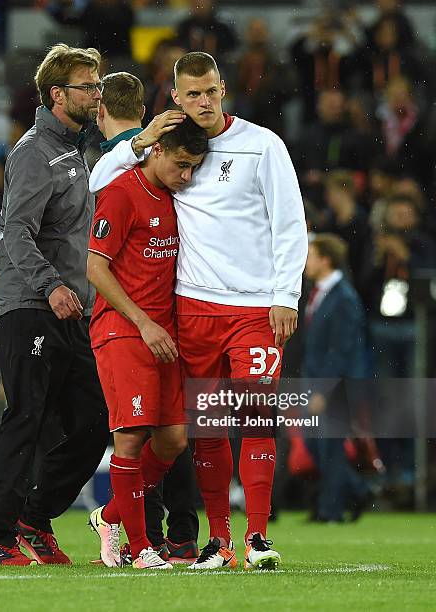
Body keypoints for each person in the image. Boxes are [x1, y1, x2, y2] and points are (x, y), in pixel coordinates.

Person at [89, 51, 308, 571]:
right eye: (192, 94)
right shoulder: (170, 148)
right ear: (176, 98)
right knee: (204, 428)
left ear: (223, 87)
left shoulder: (262, 145)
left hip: (256, 306)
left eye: (210, 91)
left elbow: (291, 222)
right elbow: (102, 182)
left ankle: (257, 537)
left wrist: (287, 295)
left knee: (255, 416)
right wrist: (139, 141)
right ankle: (220, 542)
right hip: (192, 309)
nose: (203, 102)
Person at [0, 43, 109, 566]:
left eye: (98, 86)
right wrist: (52, 285)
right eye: (88, 87)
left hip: (69, 306)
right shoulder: (34, 151)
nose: (96, 95)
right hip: (31, 302)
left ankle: (33, 519)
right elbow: (15, 231)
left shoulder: (75, 148)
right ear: (58, 94)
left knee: (96, 420)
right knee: (26, 416)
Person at [87, 115, 207, 570]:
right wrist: (142, 322)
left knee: (174, 440)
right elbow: (95, 269)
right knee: (132, 437)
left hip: (164, 334)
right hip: (123, 329)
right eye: (181, 164)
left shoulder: (179, 199)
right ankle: (140, 549)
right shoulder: (121, 194)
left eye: (194, 167)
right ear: (156, 151)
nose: (187, 176)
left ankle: (111, 515)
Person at [303, 233, 371, 522]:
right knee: (314, 443)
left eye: (310, 254)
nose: (305, 261)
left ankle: (330, 511)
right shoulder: (318, 292)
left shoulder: (343, 296)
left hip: (336, 385)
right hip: (315, 379)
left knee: (328, 445)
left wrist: (323, 390)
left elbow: (339, 351)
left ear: (325, 259)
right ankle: (357, 491)